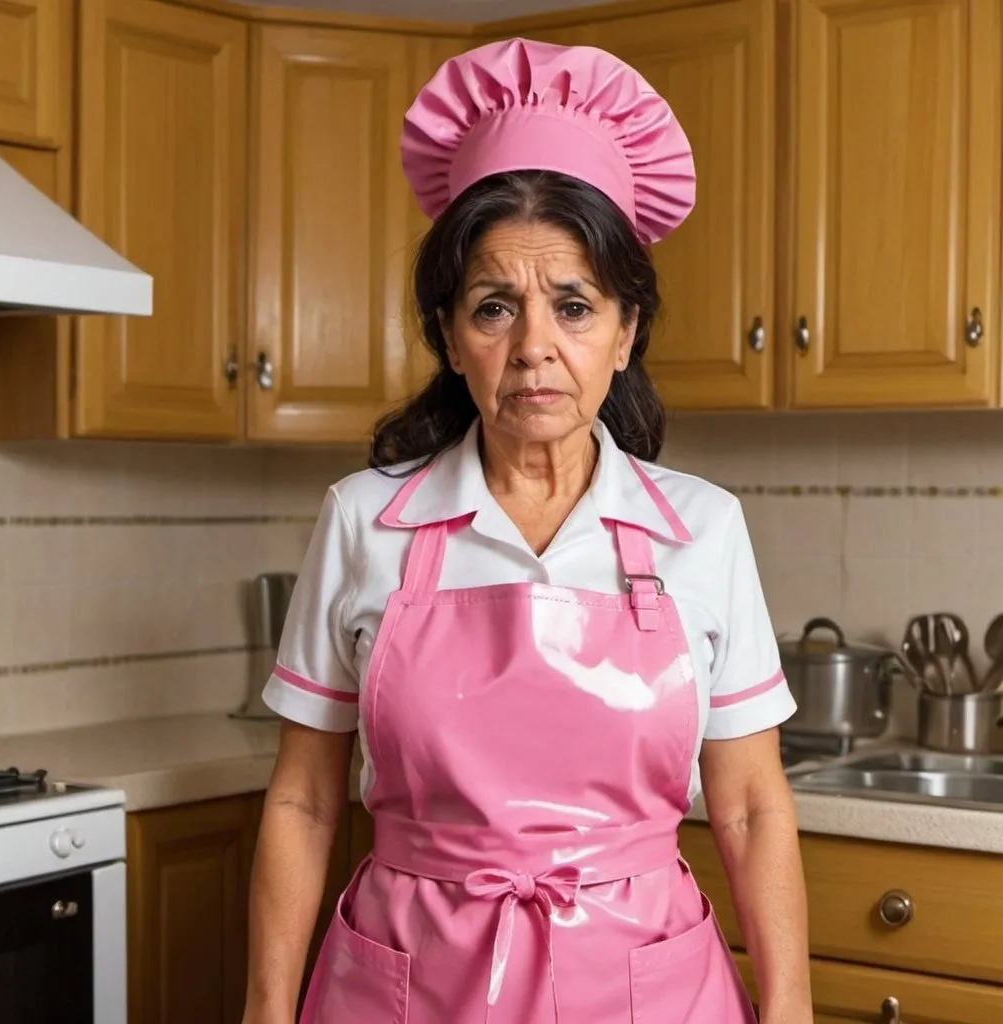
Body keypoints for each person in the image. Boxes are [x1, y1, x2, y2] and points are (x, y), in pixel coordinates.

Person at [243, 37, 812, 1024]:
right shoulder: (363, 521)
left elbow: (753, 809)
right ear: (449, 333)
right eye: (494, 306)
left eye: (574, 306)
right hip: (409, 986)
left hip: (647, 990)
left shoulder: (703, 531)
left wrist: (792, 1009)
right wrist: (263, 1010)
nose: (534, 350)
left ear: (626, 331)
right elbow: (300, 801)